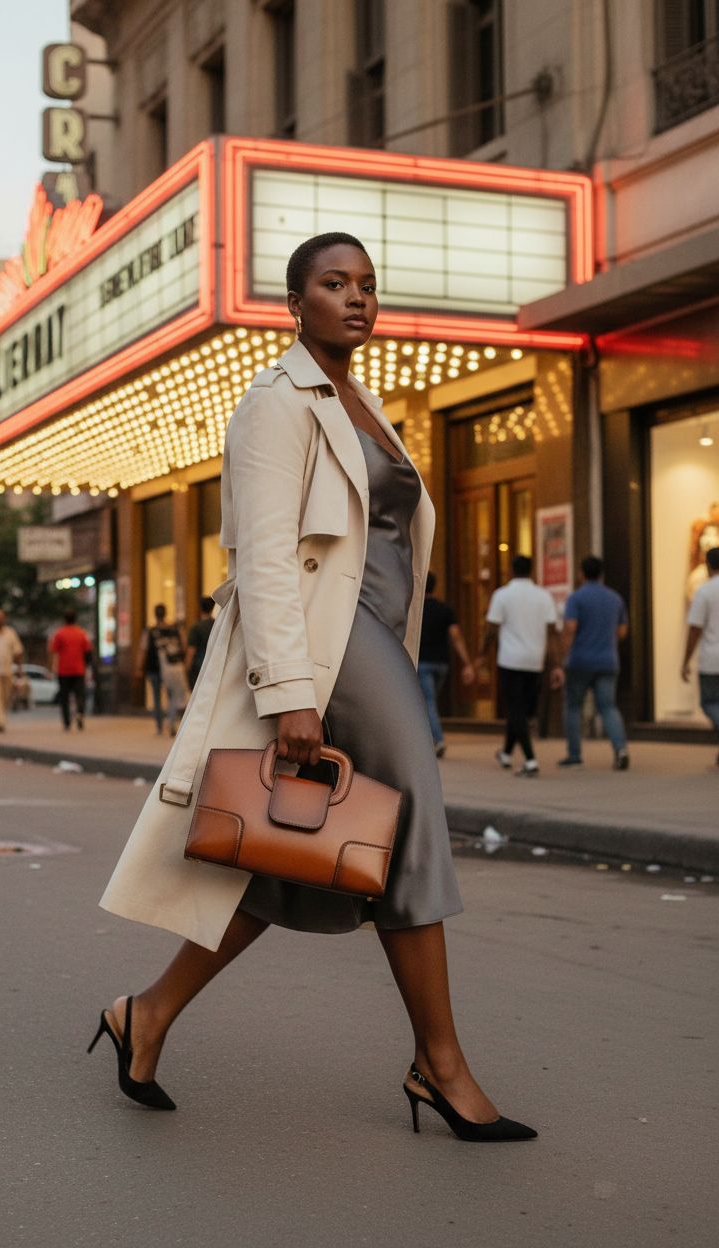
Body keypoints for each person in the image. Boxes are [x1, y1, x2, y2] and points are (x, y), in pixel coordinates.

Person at [94, 233, 536, 1142]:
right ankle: (441, 1066)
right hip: (330, 647)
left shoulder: (365, 402)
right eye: (335, 285)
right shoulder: (276, 401)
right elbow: (261, 556)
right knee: (409, 831)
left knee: (294, 863)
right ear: (294, 302)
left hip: (375, 638)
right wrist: (291, 690)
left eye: (369, 284)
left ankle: (147, 1013)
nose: (357, 299)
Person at [477, 555, 563, 777]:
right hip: (535, 661)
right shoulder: (543, 597)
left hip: (510, 660)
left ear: (511, 571)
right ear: (532, 571)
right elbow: (552, 633)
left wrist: (482, 656)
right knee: (522, 710)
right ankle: (506, 754)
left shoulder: (502, 595)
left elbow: (491, 630)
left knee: (516, 710)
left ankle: (531, 760)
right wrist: (556, 665)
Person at [557, 555, 629, 770]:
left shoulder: (576, 598)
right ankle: (620, 749)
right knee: (607, 707)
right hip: (608, 660)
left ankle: (574, 754)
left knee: (572, 706)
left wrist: (563, 657)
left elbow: (570, 628)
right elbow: (623, 631)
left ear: (581, 573)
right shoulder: (615, 599)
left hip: (580, 661)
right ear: (602, 574)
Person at [417, 572, 474, 757]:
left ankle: (438, 740)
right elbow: (456, 636)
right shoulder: (445, 609)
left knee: (428, 702)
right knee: (429, 701)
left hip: (423, 662)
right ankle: (429, 739)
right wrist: (466, 662)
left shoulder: (415, 609)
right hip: (442, 664)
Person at [681, 546, 719, 763]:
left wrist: (685, 660)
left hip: (712, 658)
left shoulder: (705, 591)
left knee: (709, 702)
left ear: (708, 565)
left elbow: (695, 629)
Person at [136, 604, 187, 736]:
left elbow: (143, 650)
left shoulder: (150, 631)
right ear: (165, 613)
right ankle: (171, 722)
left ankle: (159, 726)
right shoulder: (175, 629)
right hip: (171, 667)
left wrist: (139, 667)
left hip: (154, 668)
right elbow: (184, 645)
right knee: (172, 696)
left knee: (157, 698)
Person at [49, 608, 93, 731]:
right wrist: (87, 667)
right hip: (79, 670)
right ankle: (79, 713)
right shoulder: (81, 633)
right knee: (80, 694)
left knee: (65, 696)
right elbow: (88, 652)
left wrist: (53, 667)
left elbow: (54, 651)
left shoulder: (59, 633)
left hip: (63, 670)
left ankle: (67, 721)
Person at [184, 596, 216, 690]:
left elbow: (191, 651)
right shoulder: (218, 625)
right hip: (215, 665)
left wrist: (186, 668)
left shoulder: (196, 628)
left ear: (200, 609)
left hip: (199, 667)